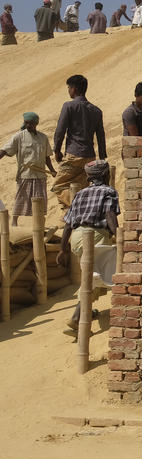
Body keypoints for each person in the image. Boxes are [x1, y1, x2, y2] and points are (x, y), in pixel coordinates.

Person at [56, 159, 119, 334]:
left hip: (76, 238)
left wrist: (63, 249)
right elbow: (109, 215)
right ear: (107, 175)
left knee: (90, 273)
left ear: (88, 177)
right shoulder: (109, 191)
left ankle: (87, 311)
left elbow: (68, 224)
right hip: (95, 236)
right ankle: (77, 318)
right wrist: (118, 235)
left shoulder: (80, 194)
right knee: (95, 276)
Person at [51, 74, 106, 207]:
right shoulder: (96, 110)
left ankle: (76, 208)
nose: (68, 90)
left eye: (69, 88)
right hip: (90, 157)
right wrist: (102, 156)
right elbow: (101, 135)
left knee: (58, 186)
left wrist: (57, 150)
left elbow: (60, 131)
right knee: (81, 188)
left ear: (74, 88)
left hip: (73, 154)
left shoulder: (69, 106)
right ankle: (73, 218)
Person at [0, 112, 56, 226]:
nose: (28, 125)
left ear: (36, 124)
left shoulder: (43, 137)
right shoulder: (19, 136)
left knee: (40, 200)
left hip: (40, 175)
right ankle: (14, 222)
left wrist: (52, 170)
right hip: (25, 174)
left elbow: (47, 157)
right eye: (26, 123)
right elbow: (5, 150)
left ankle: (40, 223)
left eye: (31, 123)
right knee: (21, 198)